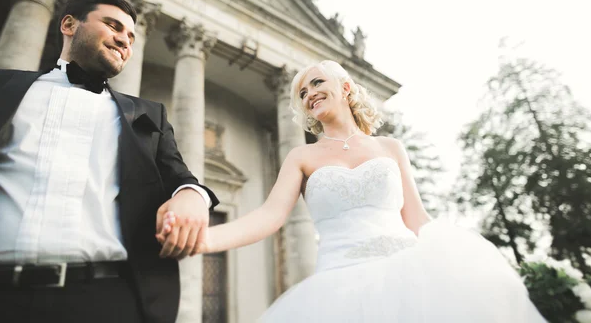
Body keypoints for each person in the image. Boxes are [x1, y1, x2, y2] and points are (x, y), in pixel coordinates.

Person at [159, 59, 547, 322]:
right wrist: (204, 239)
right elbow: (268, 217)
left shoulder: (391, 148)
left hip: (409, 274)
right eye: (302, 92)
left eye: (316, 82)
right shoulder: (301, 156)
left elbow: (417, 220)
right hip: (338, 285)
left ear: (345, 88)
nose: (309, 92)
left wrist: (465, 260)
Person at [0, 0, 218, 323]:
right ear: (69, 25)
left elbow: (181, 179)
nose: (124, 41)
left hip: (105, 300)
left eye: (131, 36)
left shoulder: (148, 114)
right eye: (113, 26)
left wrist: (191, 196)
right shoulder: (5, 87)